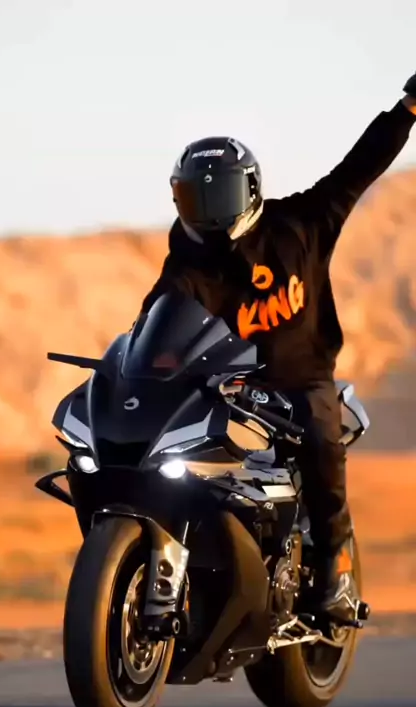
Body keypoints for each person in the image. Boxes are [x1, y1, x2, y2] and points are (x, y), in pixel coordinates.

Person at [138, 73, 416, 621]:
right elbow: (157, 319)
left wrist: (408, 108)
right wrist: (140, 364)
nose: (208, 209)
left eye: (218, 194)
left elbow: (358, 168)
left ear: (249, 191)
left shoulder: (302, 225)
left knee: (321, 440)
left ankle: (335, 563)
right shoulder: (188, 263)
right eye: (195, 196)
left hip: (300, 378)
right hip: (225, 385)